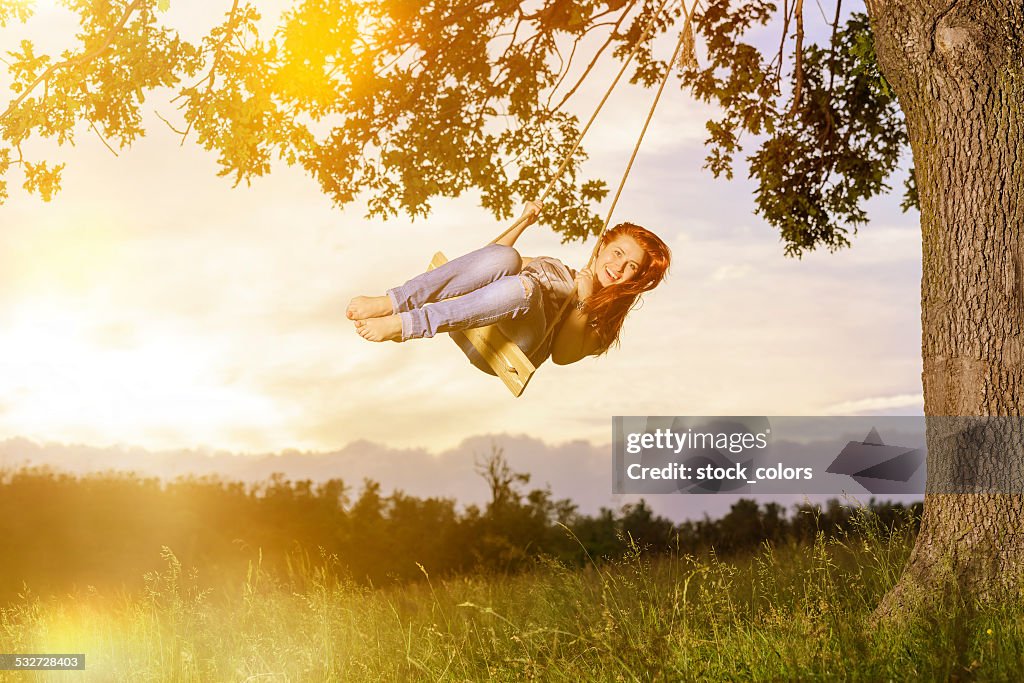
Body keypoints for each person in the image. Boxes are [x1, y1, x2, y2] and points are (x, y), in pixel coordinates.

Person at [346, 201, 671, 372]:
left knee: (524, 289)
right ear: (601, 247)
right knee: (509, 257)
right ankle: (396, 301)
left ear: (636, 279)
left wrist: (582, 303)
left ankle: (409, 323)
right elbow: (487, 262)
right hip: (477, 320)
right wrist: (522, 224)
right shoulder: (557, 270)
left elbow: (562, 356)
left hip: (512, 348)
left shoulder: (603, 323)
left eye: (632, 268)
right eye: (618, 253)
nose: (619, 268)